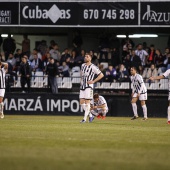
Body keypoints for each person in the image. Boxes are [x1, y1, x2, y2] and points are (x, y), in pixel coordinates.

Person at [79, 53, 104, 123]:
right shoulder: (82, 65)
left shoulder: (93, 67)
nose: (85, 57)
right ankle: (90, 115)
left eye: (87, 57)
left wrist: (93, 81)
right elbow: (81, 74)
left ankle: (84, 119)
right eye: (85, 56)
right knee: (81, 103)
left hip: (89, 87)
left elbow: (101, 75)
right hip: (82, 86)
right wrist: (81, 81)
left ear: (90, 58)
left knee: (87, 103)